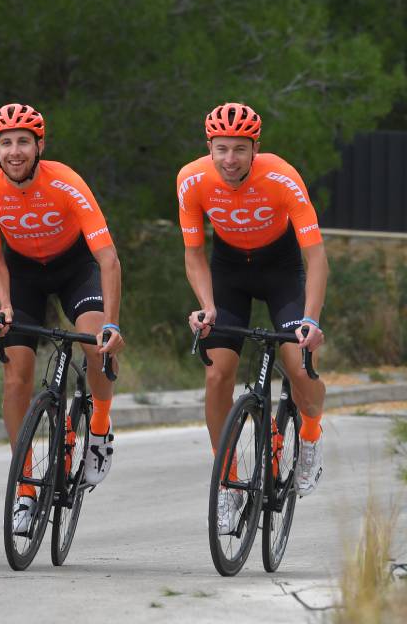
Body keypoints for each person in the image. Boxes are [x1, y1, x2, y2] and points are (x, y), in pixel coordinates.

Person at [0, 103, 125, 536]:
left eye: (23, 142)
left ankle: (99, 427)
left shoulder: (66, 182)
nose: (14, 151)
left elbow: (108, 258)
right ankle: (24, 488)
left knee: (95, 343)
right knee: (16, 377)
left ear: (40, 145)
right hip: (23, 276)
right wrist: (4, 304)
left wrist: (112, 323)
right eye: (5, 143)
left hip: (76, 268)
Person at [176, 102, 328, 534]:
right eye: (221, 149)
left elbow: (317, 257)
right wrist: (207, 305)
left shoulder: (281, 176)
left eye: (240, 149)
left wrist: (311, 320)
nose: (230, 159)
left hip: (282, 270)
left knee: (300, 367)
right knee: (216, 373)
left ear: (255, 148)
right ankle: (228, 483)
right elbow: (193, 253)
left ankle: (311, 436)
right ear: (209, 146)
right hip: (228, 273)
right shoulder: (191, 179)